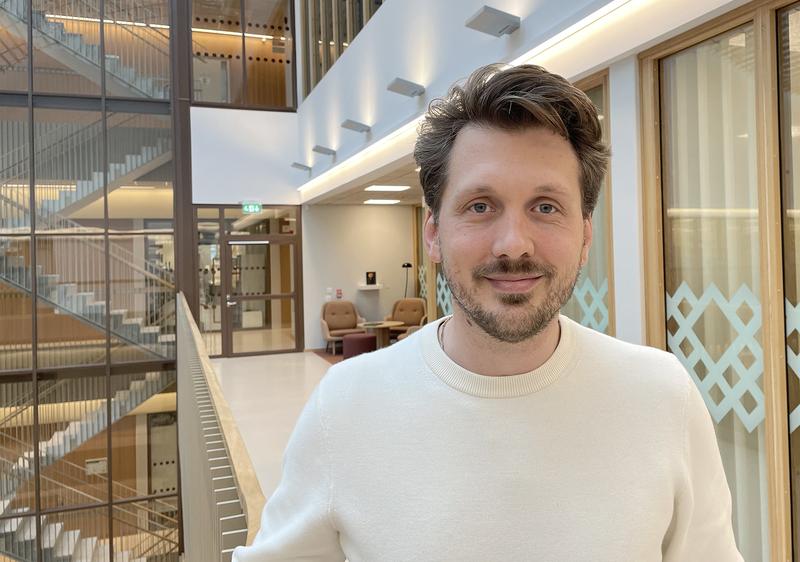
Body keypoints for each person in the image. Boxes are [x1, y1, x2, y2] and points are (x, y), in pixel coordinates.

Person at [233, 64, 742, 561]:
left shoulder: (660, 395)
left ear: (585, 237)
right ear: (433, 233)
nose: (514, 244)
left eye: (546, 207)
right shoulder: (345, 406)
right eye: (480, 205)